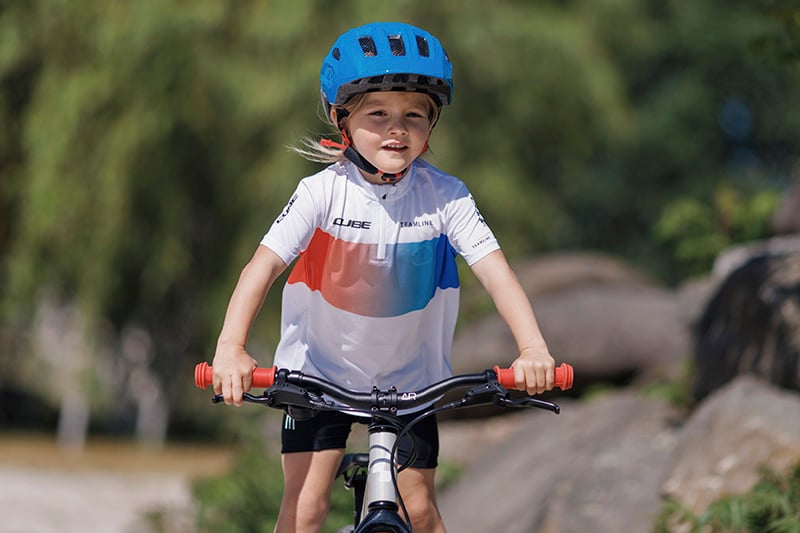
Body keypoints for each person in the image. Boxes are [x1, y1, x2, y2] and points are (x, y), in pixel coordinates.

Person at [211, 22, 557, 533]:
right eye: (378, 113)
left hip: (411, 384)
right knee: (303, 512)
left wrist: (532, 350)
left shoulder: (447, 197)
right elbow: (261, 267)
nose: (397, 128)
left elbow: (496, 272)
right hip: (317, 378)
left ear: (433, 125)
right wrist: (230, 349)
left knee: (419, 512)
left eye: (414, 115)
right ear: (342, 119)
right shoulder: (321, 193)